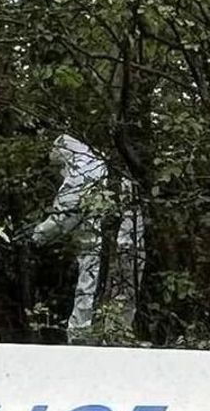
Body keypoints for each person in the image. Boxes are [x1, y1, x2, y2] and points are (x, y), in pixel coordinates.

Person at [32, 133, 144, 343]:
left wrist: (36, 235)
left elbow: (63, 217)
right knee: (123, 305)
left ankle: (81, 347)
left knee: (88, 301)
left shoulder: (83, 169)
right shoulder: (111, 166)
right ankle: (117, 344)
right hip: (133, 246)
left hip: (99, 250)